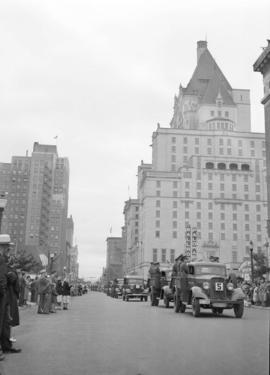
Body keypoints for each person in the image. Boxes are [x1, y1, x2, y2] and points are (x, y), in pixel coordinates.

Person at [0, 235, 21, 360]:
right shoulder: (1, 259)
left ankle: (6, 345)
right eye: (8, 247)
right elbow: (2, 278)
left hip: (6, 294)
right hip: (2, 293)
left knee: (6, 322)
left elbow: (8, 276)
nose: (9, 250)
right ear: (2, 247)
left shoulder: (4, 259)